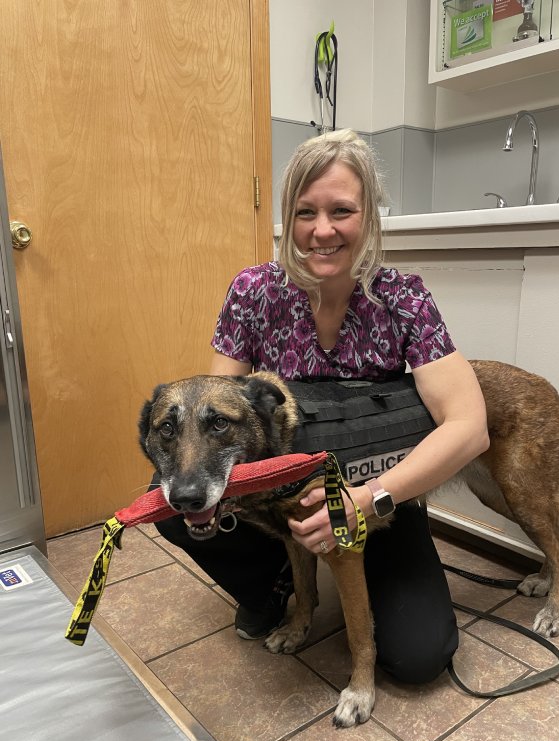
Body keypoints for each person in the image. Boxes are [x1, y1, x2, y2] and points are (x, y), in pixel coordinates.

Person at [154, 129, 489, 684]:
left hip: (383, 495)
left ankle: (350, 566)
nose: (323, 230)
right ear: (288, 216)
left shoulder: (403, 297)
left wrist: (365, 502)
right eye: (306, 211)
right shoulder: (253, 292)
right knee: (171, 499)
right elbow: (212, 416)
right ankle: (275, 585)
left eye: (342, 210)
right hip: (283, 498)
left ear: (369, 218)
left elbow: (470, 427)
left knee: (419, 657)